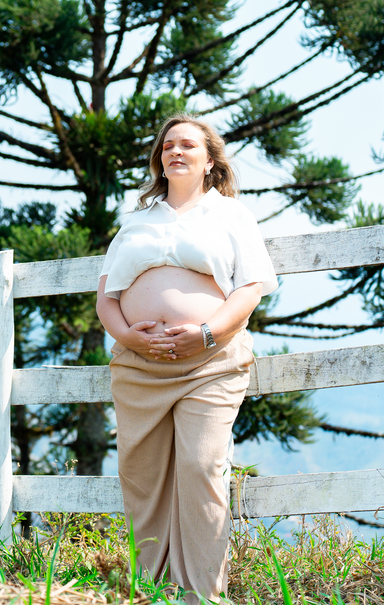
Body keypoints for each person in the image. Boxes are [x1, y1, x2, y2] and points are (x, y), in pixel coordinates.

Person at [95, 113, 279, 602]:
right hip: (139, 367)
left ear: (210, 161)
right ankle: (150, 593)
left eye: (188, 145)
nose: (175, 151)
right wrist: (128, 337)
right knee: (142, 480)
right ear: (159, 159)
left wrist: (207, 333)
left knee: (202, 468)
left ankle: (203, 595)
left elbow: (250, 288)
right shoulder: (135, 222)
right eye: (167, 145)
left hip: (210, 365)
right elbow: (107, 298)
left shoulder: (231, 215)